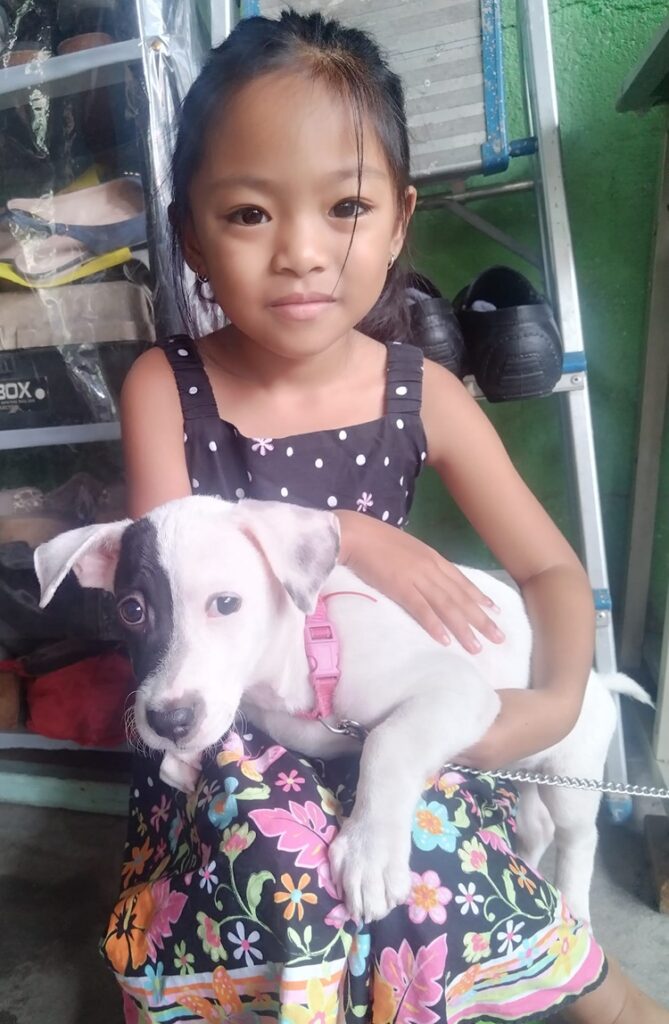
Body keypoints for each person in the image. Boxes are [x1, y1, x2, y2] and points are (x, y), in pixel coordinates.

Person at [103, 10, 668, 1023]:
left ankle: (603, 994)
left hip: (385, 716)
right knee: (280, 859)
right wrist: (352, 538)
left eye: (346, 207)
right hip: (226, 732)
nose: (301, 252)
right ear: (189, 234)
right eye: (250, 213)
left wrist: (548, 708)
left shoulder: (423, 393)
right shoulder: (163, 384)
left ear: (400, 220)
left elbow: (549, 572)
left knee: (427, 864)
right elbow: (167, 573)